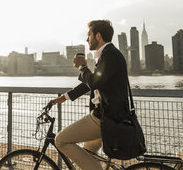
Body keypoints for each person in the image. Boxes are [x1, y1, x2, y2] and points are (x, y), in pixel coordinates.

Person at [50, 19, 131, 170]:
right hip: (109, 116)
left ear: (98, 36)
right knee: (88, 153)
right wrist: (66, 97)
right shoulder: (107, 54)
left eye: (89, 35)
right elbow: (94, 82)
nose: (87, 39)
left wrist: (82, 66)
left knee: (61, 140)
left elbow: (94, 82)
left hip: (106, 118)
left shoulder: (110, 55)